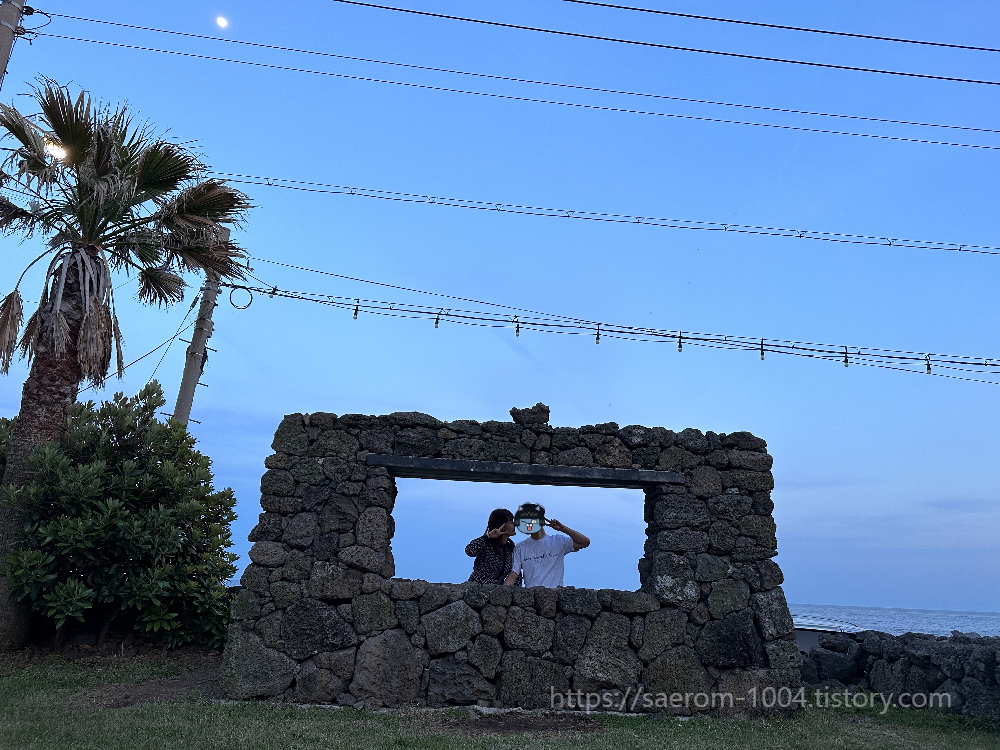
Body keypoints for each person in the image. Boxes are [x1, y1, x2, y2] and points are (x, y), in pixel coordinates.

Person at [504, 502, 590, 588]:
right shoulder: (520, 547)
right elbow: (514, 574)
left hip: (555, 595)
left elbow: (584, 542)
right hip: (532, 596)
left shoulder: (558, 541)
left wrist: (562, 528)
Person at [465, 508, 519, 585]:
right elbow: (469, 550)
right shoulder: (487, 544)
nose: (514, 525)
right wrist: (488, 537)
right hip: (477, 589)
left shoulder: (510, 549)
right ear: (502, 525)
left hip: (496, 592)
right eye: (511, 521)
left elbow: (516, 573)